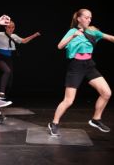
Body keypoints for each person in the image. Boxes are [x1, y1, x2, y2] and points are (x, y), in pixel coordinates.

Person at [48, 8, 113, 136]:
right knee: (69, 100)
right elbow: (60, 46)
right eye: (86, 17)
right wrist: (73, 35)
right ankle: (54, 123)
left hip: (89, 65)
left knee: (106, 93)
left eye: (90, 17)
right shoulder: (72, 31)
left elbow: (110, 37)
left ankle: (96, 119)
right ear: (79, 18)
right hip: (76, 66)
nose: (89, 19)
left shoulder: (93, 31)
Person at [0, 21, 40, 99]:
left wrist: (34, 35)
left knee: (10, 80)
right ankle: (1, 93)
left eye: (13, 27)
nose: (11, 29)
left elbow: (24, 41)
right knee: (7, 71)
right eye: (9, 27)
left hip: (9, 58)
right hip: (0, 57)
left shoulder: (14, 36)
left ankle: (3, 97)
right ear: (5, 27)